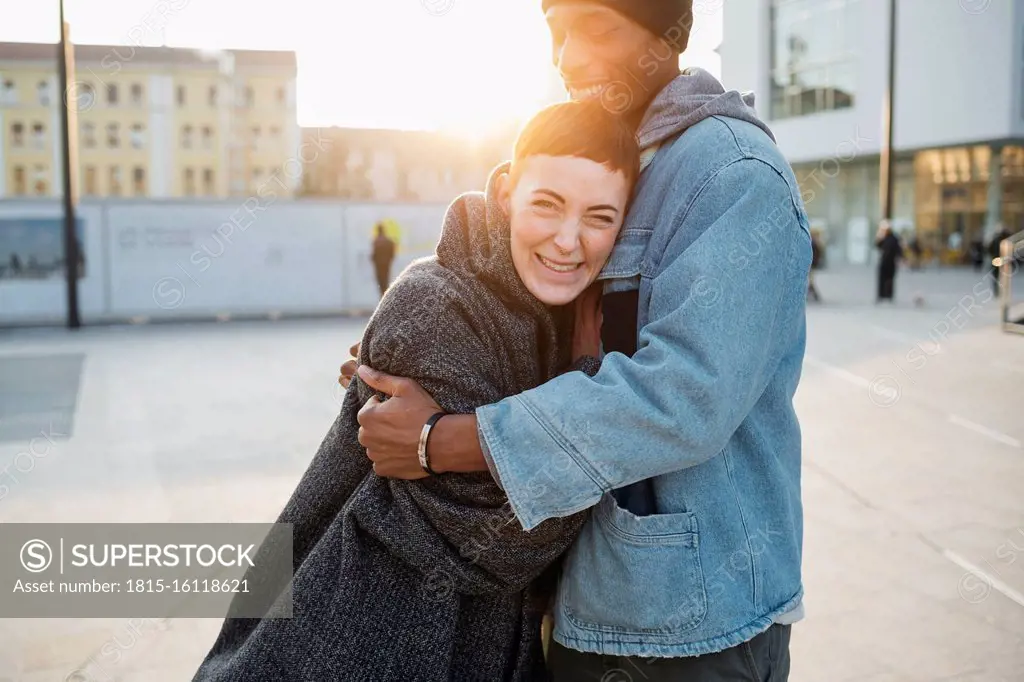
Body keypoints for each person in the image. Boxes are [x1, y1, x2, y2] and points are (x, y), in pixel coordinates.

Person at [342, 1, 810, 679]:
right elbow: (536, 316)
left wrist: (443, 440)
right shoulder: (613, 155)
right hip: (581, 597)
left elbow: (686, 394)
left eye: (594, 26)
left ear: (671, 33)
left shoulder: (730, 175)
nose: (568, 57)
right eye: (557, 33)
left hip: (689, 628)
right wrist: (421, 355)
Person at [192, 100, 640, 681]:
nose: (567, 241)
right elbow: (501, 541)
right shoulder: (436, 305)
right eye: (547, 206)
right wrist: (586, 370)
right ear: (506, 194)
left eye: (600, 218)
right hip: (345, 650)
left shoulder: (538, 313)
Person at [876, 221, 903, 303]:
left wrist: (900, 258)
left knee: (890, 279)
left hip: (891, 261)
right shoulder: (883, 237)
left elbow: (898, 249)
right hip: (883, 261)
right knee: (881, 279)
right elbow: (878, 245)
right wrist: (879, 237)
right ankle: (881, 295)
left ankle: (888, 295)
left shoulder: (894, 238)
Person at [371, 221, 396, 297]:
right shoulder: (389, 241)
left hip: (379, 266)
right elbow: (392, 252)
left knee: (381, 283)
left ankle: (383, 298)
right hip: (386, 264)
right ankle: (385, 297)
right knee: (386, 282)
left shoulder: (376, 241)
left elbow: (374, 255)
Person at [988, 225, 1012, 297]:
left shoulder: (995, 239)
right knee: (1002, 275)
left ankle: (997, 290)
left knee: (996, 275)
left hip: (996, 259)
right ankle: (1001, 290)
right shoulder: (1006, 241)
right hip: (1002, 260)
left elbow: (989, 249)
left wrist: (993, 256)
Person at [808, 233, 823, 303]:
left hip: (812, 265)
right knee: (810, 281)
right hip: (811, 265)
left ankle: (814, 295)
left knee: (810, 281)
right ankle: (815, 295)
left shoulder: (814, 243)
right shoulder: (814, 243)